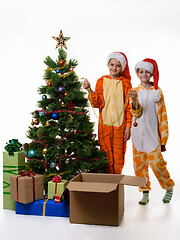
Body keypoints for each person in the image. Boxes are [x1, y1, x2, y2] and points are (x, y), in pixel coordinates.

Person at [129, 58, 175, 204]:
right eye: (141, 72)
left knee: (157, 163)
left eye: (146, 72)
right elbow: (136, 113)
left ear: (151, 74)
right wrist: (134, 100)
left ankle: (168, 186)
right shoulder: (134, 91)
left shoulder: (157, 92)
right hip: (137, 136)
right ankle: (145, 192)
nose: (143, 74)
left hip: (152, 135)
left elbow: (163, 116)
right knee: (139, 166)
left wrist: (164, 138)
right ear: (137, 73)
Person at [83, 52, 132, 174]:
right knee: (105, 156)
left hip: (120, 126)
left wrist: (128, 126)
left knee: (118, 156)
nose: (114, 68)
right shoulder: (101, 81)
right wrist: (89, 90)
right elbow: (97, 103)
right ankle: (107, 184)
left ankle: (116, 183)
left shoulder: (126, 83)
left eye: (118, 66)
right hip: (104, 125)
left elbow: (128, 107)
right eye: (112, 64)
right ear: (108, 64)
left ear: (122, 68)